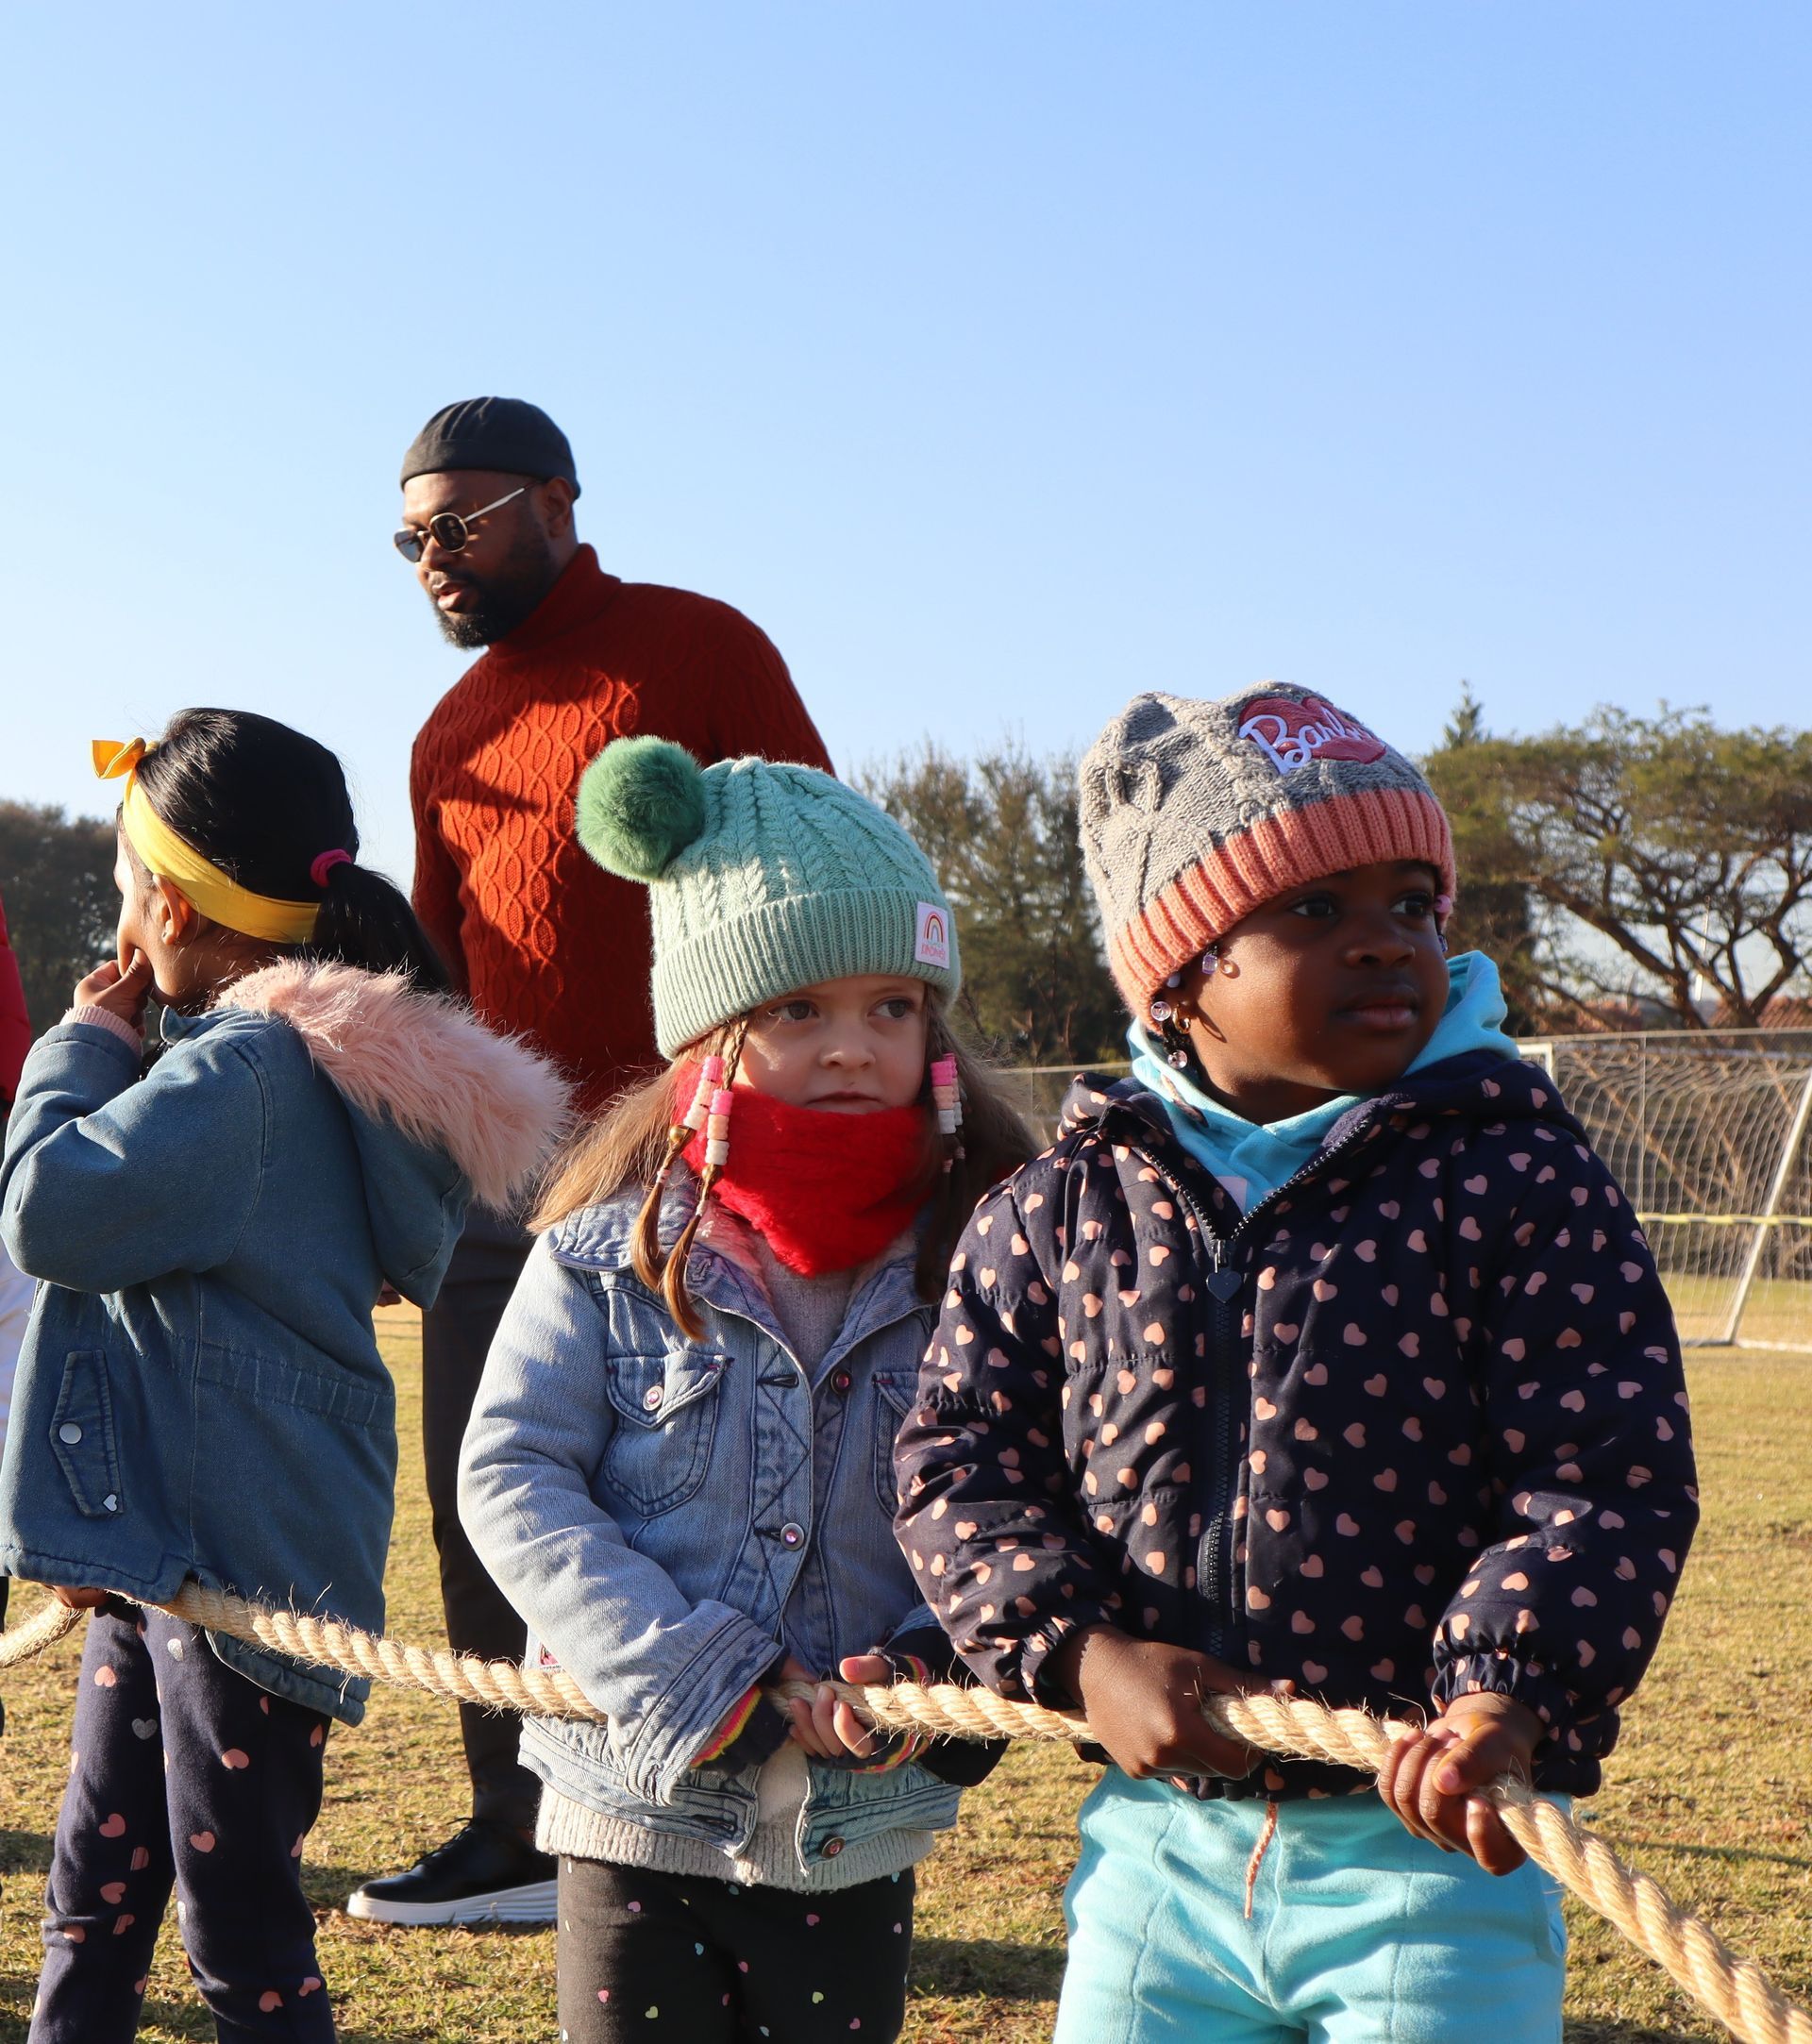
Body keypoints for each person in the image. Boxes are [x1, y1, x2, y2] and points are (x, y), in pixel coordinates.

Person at [895, 684, 1700, 2043]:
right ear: (1180, 972)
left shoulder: (1514, 1174)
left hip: (1432, 1855)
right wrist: (1080, 1653)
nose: (1386, 945)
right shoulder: (1062, 1205)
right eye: (1316, 911)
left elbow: (1604, 1470)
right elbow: (955, 1458)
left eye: (1413, 906)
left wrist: (1508, 1681)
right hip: (1158, 1857)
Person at [0, 712, 566, 2043]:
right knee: (98, 1882)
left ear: (172, 903)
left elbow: (47, 1213)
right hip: (179, 1548)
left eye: (130, 875)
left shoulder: (247, 1073)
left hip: (234, 1566)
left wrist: (77, 1045)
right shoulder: (260, 1065)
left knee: (235, 1914)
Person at [459, 737, 1033, 2043]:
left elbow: (1014, 1500)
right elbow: (512, 1474)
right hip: (634, 1802)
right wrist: (698, 1671)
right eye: (799, 1008)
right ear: (711, 1036)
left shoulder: (986, 1260)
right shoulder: (606, 1255)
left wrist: (935, 1669)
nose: (852, 1046)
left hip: (858, 1831)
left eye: (892, 1005)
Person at [356, 395, 835, 1927]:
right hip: (502, 1183)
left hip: (698, 1162)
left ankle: (724, 1797)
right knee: (478, 1490)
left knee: (692, 1487)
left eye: (465, 519)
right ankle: (515, 1825)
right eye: (411, 534)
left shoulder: (700, 648)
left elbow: (813, 864)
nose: (436, 554)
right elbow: (436, 978)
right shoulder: (448, 729)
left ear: (561, 497)